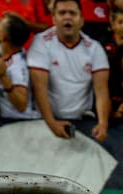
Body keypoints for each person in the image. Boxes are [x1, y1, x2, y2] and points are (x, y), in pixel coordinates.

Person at [27, 0, 110, 141]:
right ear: (53, 19)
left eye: (72, 13)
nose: (67, 17)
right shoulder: (41, 42)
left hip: (82, 122)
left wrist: (103, 123)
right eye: (62, 13)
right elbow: (39, 87)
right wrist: (51, 123)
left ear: (82, 20)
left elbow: (101, 90)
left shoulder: (94, 48)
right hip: (46, 121)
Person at [0, 12, 39, 120]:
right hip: (3, 117)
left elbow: (22, 106)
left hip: (20, 121)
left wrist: (4, 77)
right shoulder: (1, 46)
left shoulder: (18, 67)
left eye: (0, 24)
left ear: (3, 36)